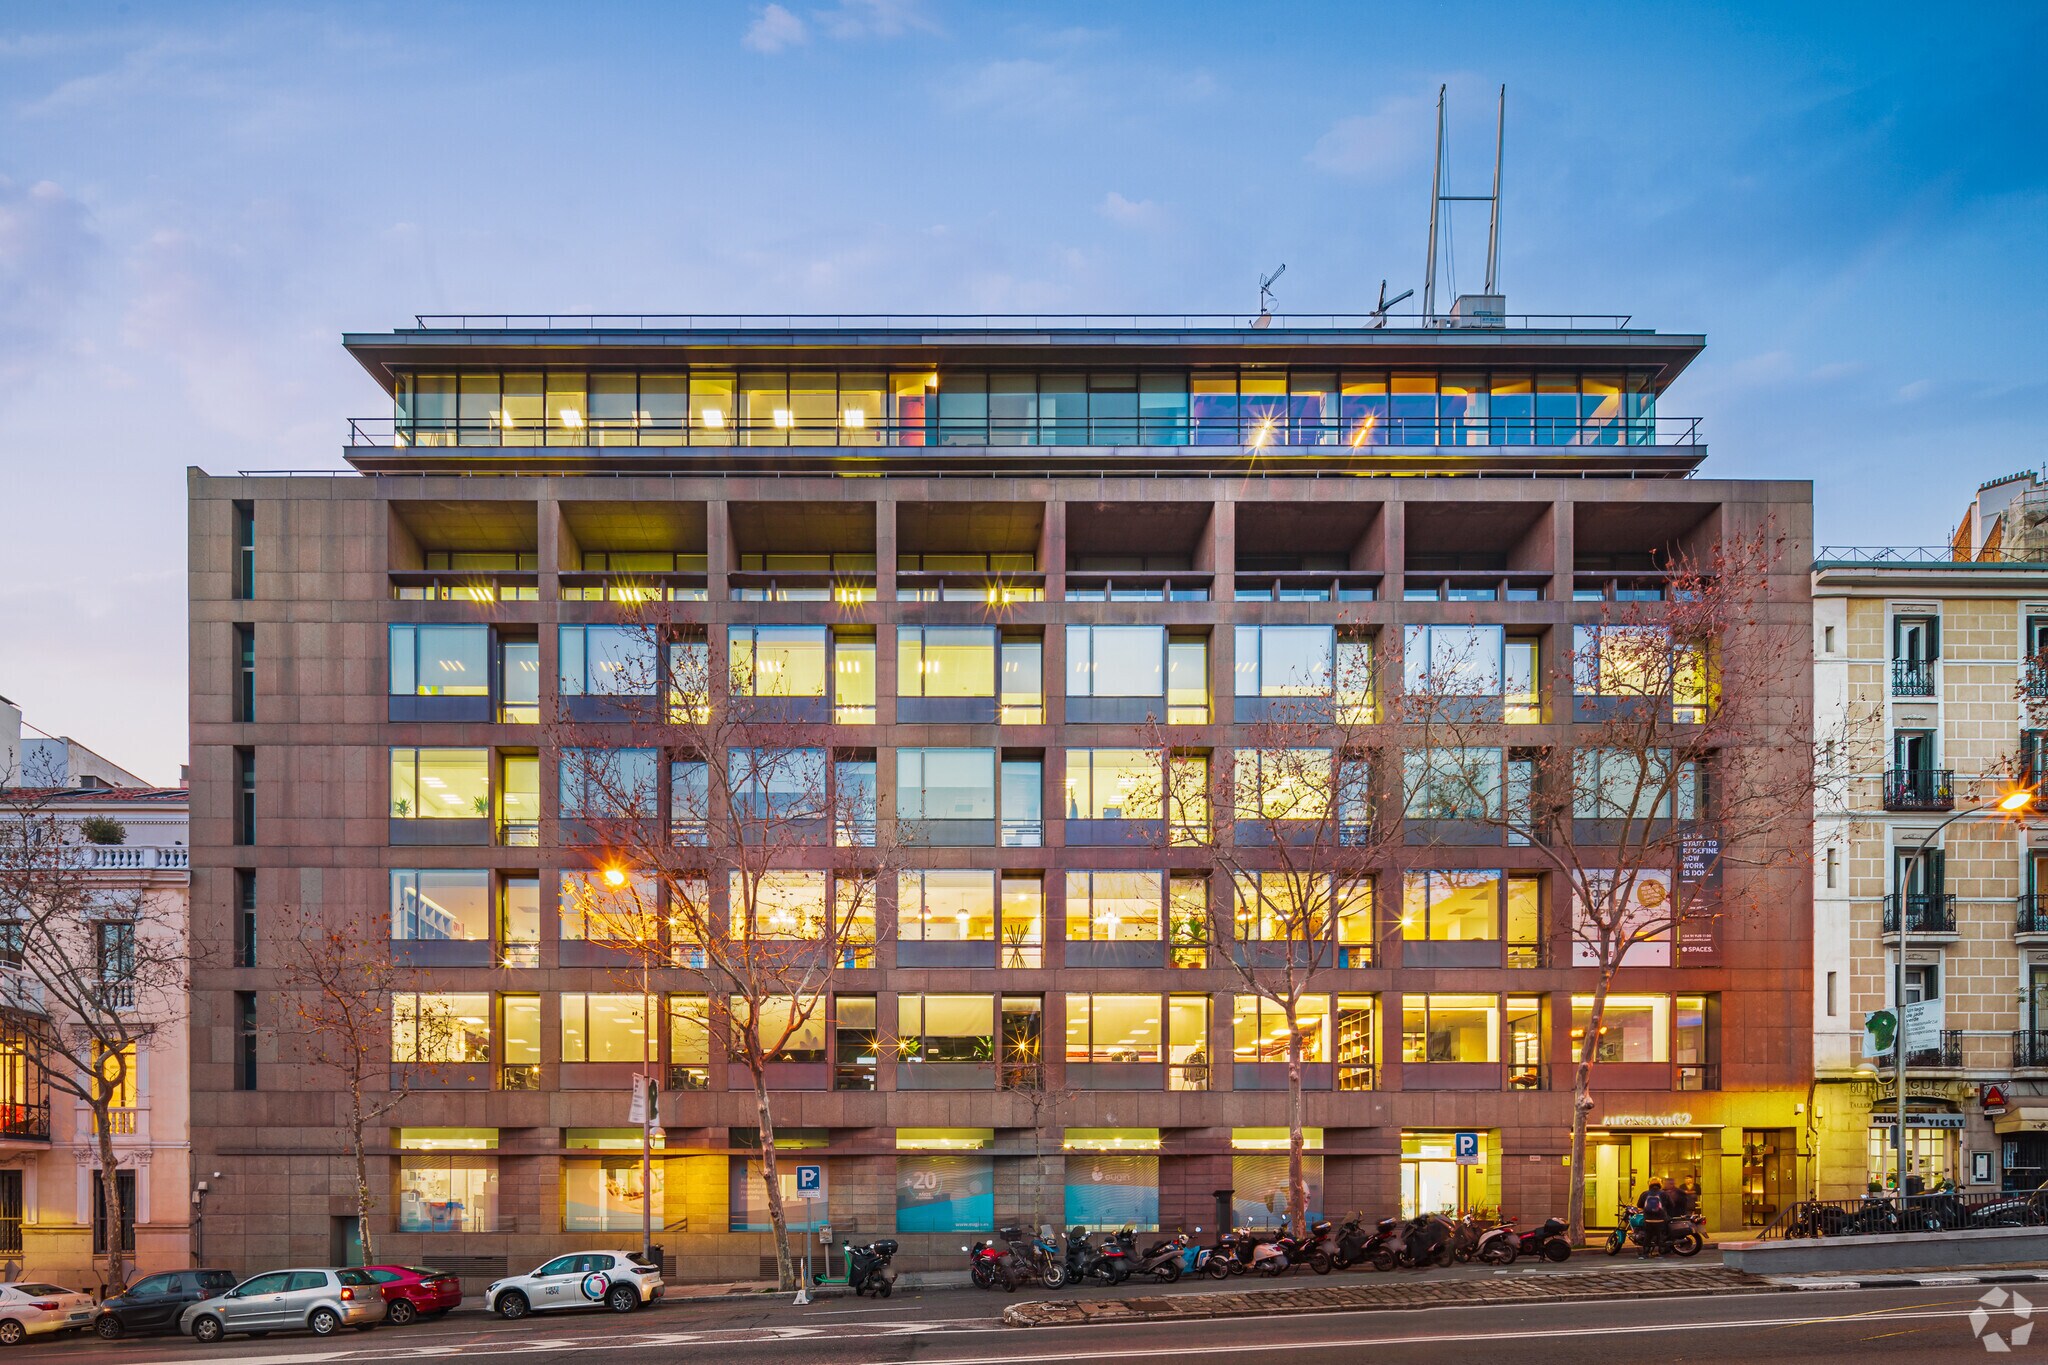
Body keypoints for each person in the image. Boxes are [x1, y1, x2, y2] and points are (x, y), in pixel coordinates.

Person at [1636, 1180, 1669, 1258]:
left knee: (1648, 1236)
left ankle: (1645, 1253)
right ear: (1660, 1185)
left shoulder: (1644, 1194)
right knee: (1660, 1236)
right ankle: (1661, 1253)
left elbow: (1639, 1205)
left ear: (1649, 1185)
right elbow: (1671, 1204)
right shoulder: (1664, 1194)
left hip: (1648, 1219)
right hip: (1660, 1219)